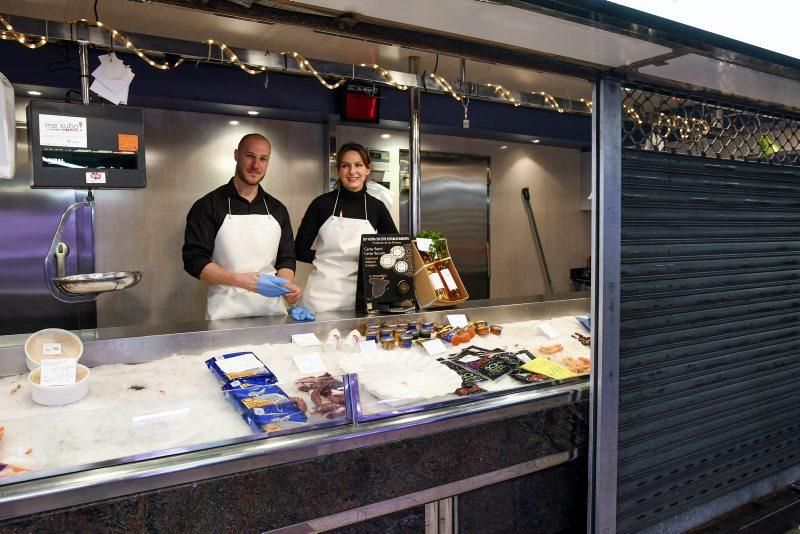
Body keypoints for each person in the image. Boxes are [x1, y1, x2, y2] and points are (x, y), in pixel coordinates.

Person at [182, 133, 310, 321]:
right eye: (250, 156)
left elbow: (286, 258)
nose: (256, 165)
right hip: (224, 313)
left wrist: (285, 286)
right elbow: (194, 260)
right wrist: (240, 280)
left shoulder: (277, 209)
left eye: (263, 159)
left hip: (271, 313)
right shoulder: (208, 205)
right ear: (236, 155)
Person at [295, 142, 398, 313]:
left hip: (361, 299)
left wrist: (370, 262)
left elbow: (395, 249)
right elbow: (299, 249)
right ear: (338, 170)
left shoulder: (377, 207)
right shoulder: (321, 204)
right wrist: (326, 259)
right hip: (320, 297)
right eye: (346, 166)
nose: (352, 172)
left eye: (358, 165)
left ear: (367, 169)